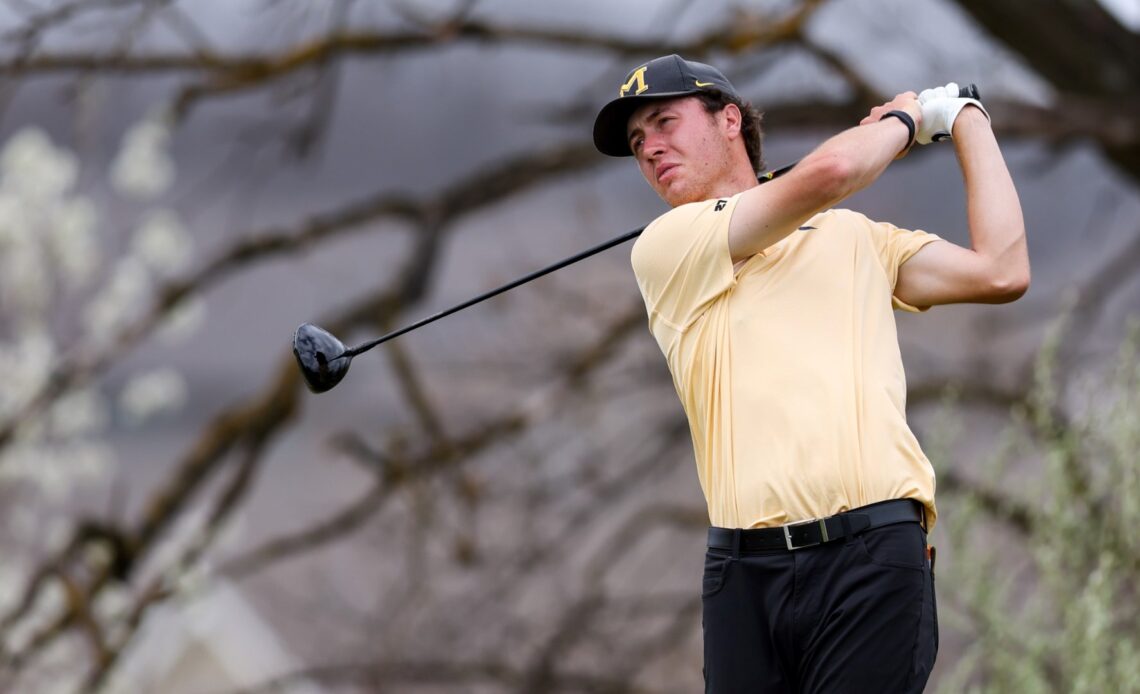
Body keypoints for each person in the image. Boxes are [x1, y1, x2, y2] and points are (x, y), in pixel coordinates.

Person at [592, 54, 1028, 693]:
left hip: (872, 559)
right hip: (741, 576)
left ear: (729, 120)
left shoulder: (857, 238)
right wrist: (907, 118)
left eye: (664, 122)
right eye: (637, 142)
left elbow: (1002, 271)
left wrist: (966, 117)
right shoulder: (668, 246)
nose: (650, 148)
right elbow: (833, 170)